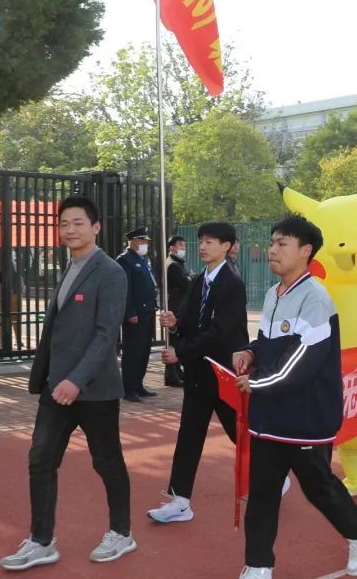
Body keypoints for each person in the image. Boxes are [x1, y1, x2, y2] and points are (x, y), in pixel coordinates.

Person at [231, 216, 357, 579]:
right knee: (262, 491)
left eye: (282, 243)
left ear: (305, 251)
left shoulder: (316, 298)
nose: (273, 250)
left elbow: (303, 362)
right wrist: (251, 352)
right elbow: (270, 344)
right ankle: (258, 565)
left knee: (319, 488)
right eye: (272, 243)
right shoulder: (273, 293)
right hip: (269, 416)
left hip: (306, 417)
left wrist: (258, 385)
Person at [0, 195, 135, 570]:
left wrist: (76, 380)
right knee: (40, 459)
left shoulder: (110, 272)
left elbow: (106, 335)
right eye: (63, 224)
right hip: (55, 388)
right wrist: (47, 377)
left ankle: (121, 532)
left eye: (77, 222)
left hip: (95, 390)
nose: (69, 229)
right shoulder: (69, 268)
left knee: (107, 461)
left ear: (95, 227)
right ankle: (42, 541)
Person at [148, 222, 248, 523]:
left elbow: (220, 332)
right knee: (189, 435)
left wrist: (181, 351)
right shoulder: (198, 279)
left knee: (238, 432)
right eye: (201, 241)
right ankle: (180, 500)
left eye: (210, 241)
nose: (202, 246)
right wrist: (176, 323)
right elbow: (193, 320)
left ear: (227, 246)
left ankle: (267, 476)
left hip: (223, 372)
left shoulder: (232, 283)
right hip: (198, 374)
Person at [117, 226, 158, 402]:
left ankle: (138, 384)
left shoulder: (141, 259)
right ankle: (129, 388)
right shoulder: (125, 260)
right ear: (133, 241)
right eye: (142, 241)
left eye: (146, 242)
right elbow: (125, 289)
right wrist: (130, 312)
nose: (145, 244)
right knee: (133, 351)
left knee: (143, 350)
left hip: (147, 311)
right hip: (135, 313)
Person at [163, 235, 191, 388]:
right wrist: (190, 278)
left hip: (180, 307)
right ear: (171, 247)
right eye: (180, 245)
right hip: (175, 308)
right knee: (173, 341)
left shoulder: (179, 264)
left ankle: (177, 371)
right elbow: (186, 284)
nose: (183, 248)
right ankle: (171, 374)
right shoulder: (173, 265)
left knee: (179, 340)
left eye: (184, 245)